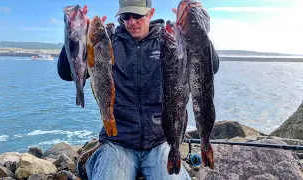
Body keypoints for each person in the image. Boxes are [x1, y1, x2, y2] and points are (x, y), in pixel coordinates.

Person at [57, 0, 220, 179]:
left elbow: (210, 66)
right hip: (118, 142)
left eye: (138, 15)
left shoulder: (170, 39)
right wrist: (77, 36)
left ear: (150, 13)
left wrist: (197, 28)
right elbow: (67, 73)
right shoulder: (107, 41)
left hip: (161, 141)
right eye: (126, 16)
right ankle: (96, 160)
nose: (132, 22)